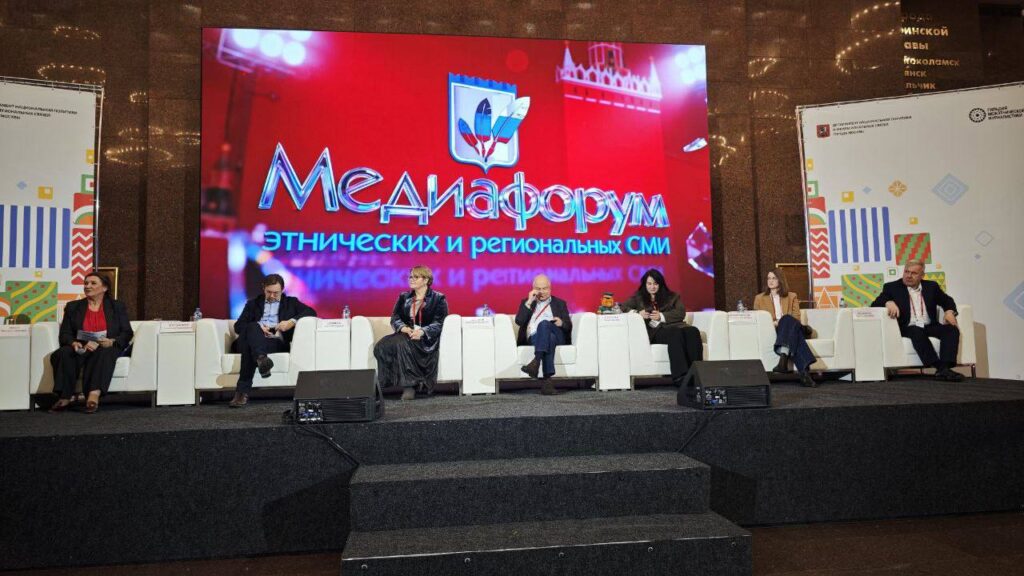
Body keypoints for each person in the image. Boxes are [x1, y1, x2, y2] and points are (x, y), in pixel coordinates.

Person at [49, 272, 134, 414]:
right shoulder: (73, 307)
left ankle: (93, 395)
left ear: (105, 288)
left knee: (105, 353)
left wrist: (112, 341)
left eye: (93, 283)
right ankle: (64, 397)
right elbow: (65, 333)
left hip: (106, 345)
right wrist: (73, 343)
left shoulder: (117, 306)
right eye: (86, 283)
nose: (87, 286)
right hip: (82, 345)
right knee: (63, 353)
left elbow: (127, 332)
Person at [230, 273, 316, 407]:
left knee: (250, 347)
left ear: (282, 290)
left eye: (276, 293)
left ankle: (241, 392)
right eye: (268, 292)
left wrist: (291, 322)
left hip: (273, 340)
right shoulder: (253, 304)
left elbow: (311, 312)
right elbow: (238, 326)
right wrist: (259, 327)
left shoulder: (291, 302)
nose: (272, 296)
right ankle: (261, 358)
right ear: (263, 288)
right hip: (253, 336)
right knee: (253, 327)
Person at [871, 259, 963, 382]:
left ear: (922, 275)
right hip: (907, 327)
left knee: (951, 330)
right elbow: (874, 305)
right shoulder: (892, 287)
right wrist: (888, 302)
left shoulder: (931, 286)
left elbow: (947, 300)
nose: (908, 276)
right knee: (916, 331)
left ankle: (945, 367)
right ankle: (940, 367)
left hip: (929, 325)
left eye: (914, 273)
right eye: (906, 272)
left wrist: (949, 311)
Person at [374, 265, 449, 400]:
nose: (411, 279)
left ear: (426, 280)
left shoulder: (438, 298)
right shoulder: (404, 297)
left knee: (402, 343)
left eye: (416, 277)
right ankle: (383, 384)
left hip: (426, 338)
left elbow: (439, 323)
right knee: (382, 345)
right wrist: (403, 327)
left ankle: (410, 386)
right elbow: (395, 318)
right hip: (406, 333)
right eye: (410, 277)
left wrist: (422, 332)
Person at [621, 268, 703, 386]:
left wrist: (661, 316)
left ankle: (697, 374)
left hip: (676, 326)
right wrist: (638, 313)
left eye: (655, 284)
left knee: (693, 331)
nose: (652, 287)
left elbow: (680, 313)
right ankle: (680, 377)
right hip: (656, 331)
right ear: (645, 284)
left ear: (660, 284)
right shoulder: (638, 298)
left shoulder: (672, 296)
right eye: (649, 284)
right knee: (675, 334)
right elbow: (622, 307)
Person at [753, 268, 816, 387]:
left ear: (780, 280)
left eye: (774, 278)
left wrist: (781, 321)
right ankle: (804, 373)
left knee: (787, 319)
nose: (770, 281)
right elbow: (758, 319)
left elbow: (796, 317)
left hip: (792, 325)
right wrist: (774, 323)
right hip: (777, 330)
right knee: (795, 335)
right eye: (768, 278)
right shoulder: (759, 298)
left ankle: (783, 360)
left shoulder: (791, 296)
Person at [515, 274, 572, 395]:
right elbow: (519, 321)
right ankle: (547, 382)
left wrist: (561, 323)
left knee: (545, 324)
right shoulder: (527, 302)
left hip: (557, 333)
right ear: (533, 289)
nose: (541, 292)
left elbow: (568, 326)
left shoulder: (560, 303)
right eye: (538, 289)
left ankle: (536, 361)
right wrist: (529, 301)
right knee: (549, 338)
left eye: (544, 288)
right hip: (535, 336)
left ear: (550, 288)